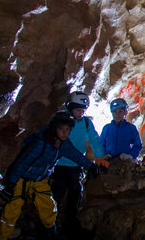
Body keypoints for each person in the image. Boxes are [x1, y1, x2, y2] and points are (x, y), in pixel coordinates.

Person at [0, 112, 100, 240]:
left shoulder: (63, 144)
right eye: (61, 129)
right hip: (22, 180)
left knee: (49, 208)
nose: (65, 133)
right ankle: (2, 237)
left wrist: (90, 166)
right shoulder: (40, 143)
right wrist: (11, 184)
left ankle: (51, 233)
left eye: (68, 129)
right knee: (12, 210)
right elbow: (21, 164)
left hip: (40, 180)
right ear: (54, 128)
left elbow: (75, 155)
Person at [50, 91, 108, 223]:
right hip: (59, 164)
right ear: (70, 108)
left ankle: (70, 219)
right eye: (77, 110)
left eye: (83, 110)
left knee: (75, 193)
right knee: (57, 193)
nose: (80, 113)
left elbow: (94, 140)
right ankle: (52, 220)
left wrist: (100, 159)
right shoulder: (61, 120)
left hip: (76, 166)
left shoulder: (86, 122)